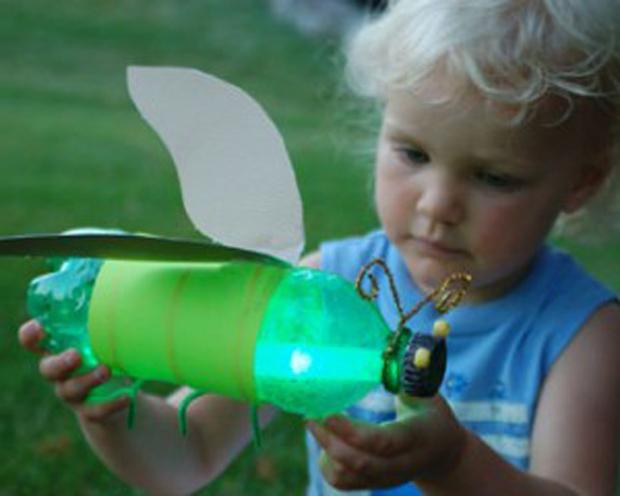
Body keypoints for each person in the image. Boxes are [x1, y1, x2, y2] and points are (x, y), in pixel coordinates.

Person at [18, 0, 620, 494]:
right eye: (412, 154)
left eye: (493, 177)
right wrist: (114, 417)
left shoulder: (581, 336)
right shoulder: (324, 287)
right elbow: (191, 454)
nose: (438, 205)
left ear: (580, 181)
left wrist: (450, 463)